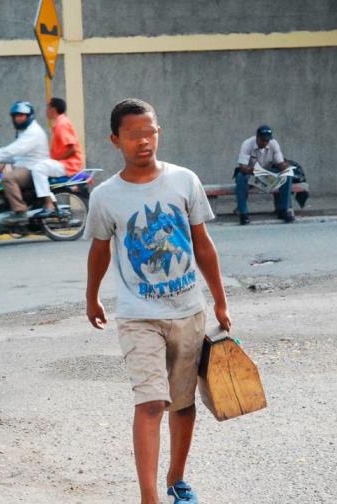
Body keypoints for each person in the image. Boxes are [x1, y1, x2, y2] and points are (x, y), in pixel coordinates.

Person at [85, 98, 231, 504]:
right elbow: (99, 251)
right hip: (138, 317)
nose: (143, 142)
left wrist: (220, 301)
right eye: (133, 135)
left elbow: (202, 245)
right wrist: (91, 296)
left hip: (189, 311)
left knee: (182, 404)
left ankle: (176, 479)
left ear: (158, 133)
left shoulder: (184, 181)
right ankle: (149, 497)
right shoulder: (106, 196)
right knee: (151, 401)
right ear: (116, 140)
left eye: (149, 132)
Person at [0, 101, 65, 220]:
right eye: (16, 116)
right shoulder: (23, 131)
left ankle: (20, 212)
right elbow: (17, 156)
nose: (18, 118)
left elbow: (16, 149)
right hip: (25, 167)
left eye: (21, 115)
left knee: (8, 178)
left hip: (32, 168)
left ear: (29, 116)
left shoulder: (33, 132)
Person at [235, 125, 294, 225]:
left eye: (267, 140)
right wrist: (253, 171)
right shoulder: (247, 144)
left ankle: (284, 210)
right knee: (240, 178)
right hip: (251, 173)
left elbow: (280, 163)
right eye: (262, 140)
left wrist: (286, 167)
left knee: (287, 176)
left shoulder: (274, 144)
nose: (265, 143)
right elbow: (242, 167)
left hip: (268, 173)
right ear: (257, 137)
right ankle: (243, 213)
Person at [46, 97, 84, 177]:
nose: (46, 110)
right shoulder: (59, 123)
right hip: (64, 164)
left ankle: (42, 190)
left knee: (38, 170)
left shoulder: (62, 124)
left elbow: (73, 149)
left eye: (48, 107)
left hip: (68, 165)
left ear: (53, 109)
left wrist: (57, 160)